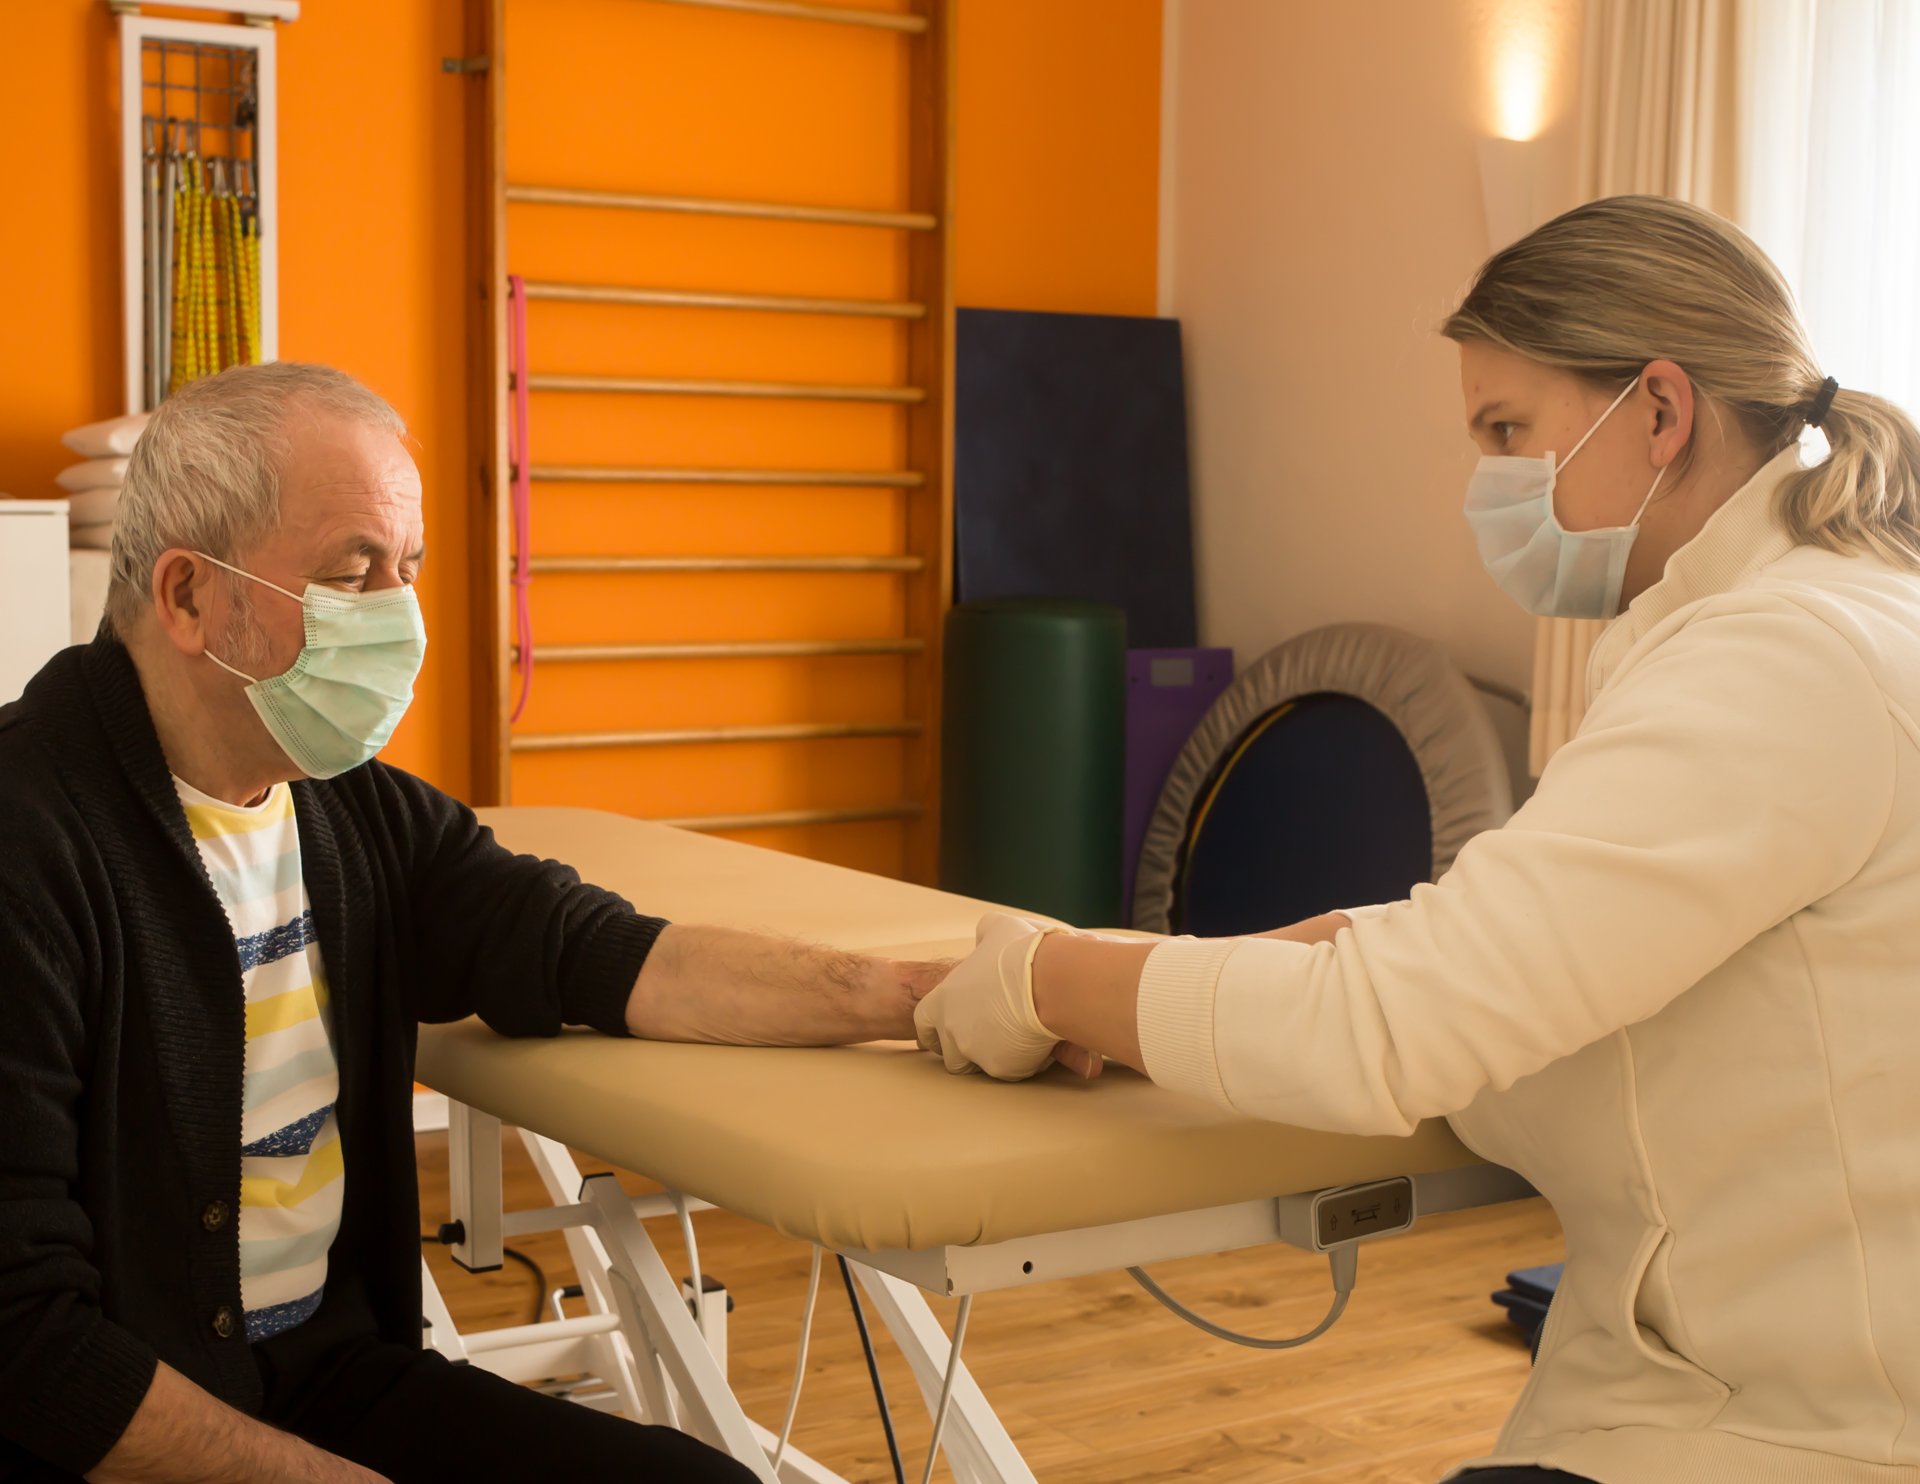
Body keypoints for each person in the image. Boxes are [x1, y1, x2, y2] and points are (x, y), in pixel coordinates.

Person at [913, 195, 1920, 1484]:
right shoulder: (1818, 618)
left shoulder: (1781, 663)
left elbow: (1405, 1020)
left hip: (1801, 1429)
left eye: (1509, 430)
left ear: (1660, 412)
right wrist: (1196, 977)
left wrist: (1049, 977)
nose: (1488, 481)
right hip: (1741, 1373)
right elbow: (1519, 948)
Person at [0, 362, 949, 1483]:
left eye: (408, 568)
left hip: (324, 1376)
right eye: (353, 572)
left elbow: (592, 948)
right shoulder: (31, 840)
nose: (398, 613)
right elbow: (28, 1347)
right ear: (190, 597)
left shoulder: (346, 807)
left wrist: (910, 997)